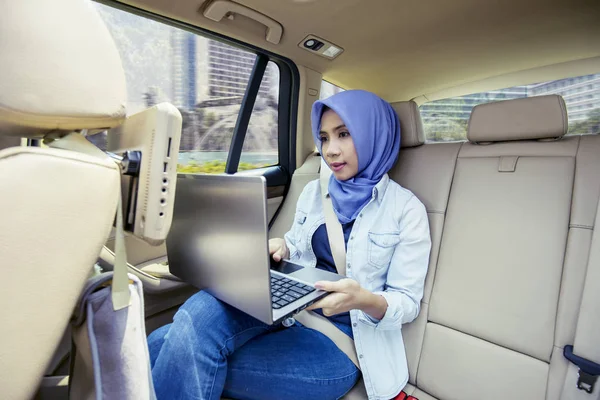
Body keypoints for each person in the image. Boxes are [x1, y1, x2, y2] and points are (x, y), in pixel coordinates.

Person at [148, 90, 431, 400]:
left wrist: (362, 299)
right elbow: (299, 247)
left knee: (165, 345)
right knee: (194, 313)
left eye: (344, 134)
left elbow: (406, 302)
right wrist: (282, 248)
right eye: (324, 138)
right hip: (289, 312)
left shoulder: (406, 210)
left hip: (344, 344)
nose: (331, 150)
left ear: (374, 135)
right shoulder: (314, 191)